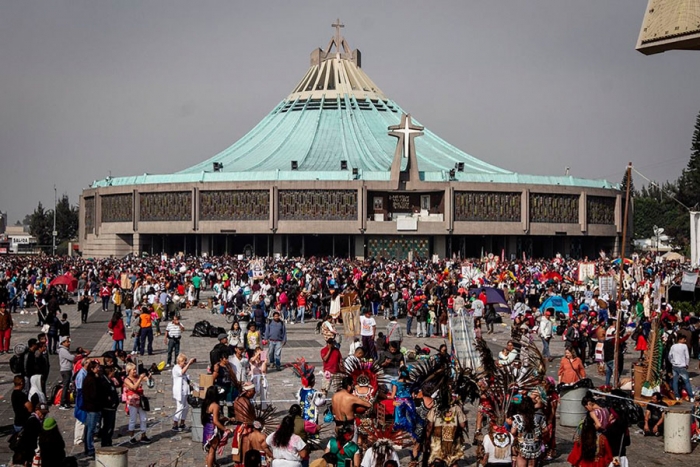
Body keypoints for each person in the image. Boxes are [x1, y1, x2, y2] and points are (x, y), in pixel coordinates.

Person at [510, 395, 547, 467]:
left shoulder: (517, 418)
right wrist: (538, 435)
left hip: (522, 446)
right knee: (532, 465)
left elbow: (513, 432)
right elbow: (545, 430)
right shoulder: (539, 417)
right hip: (535, 446)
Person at [202, 385, 232, 467]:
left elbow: (213, 417)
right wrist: (225, 429)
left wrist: (227, 419)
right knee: (212, 450)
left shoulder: (206, 403)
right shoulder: (215, 406)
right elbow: (215, 420)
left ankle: (211, 463)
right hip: (213, 430)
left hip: (207, 428)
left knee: (210, 450)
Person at [123, 362, 151, 444]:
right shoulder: (127, 380)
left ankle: (143, 435)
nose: (135, 371)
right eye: (133, 370)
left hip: (140, 400)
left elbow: (147, 380)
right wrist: (140, 379)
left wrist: (149, 377)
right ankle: (131, 436)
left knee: (144, 418)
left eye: (135, 369)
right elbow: (133, 387)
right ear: (129, 371)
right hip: (132, 401)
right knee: (133, 419)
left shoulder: (137, 376)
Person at [14, 401, 49, 467]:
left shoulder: (36, 420)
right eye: (42, 413)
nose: (43, 415)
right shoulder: (33, 421)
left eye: (45, 413)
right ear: (37, 410)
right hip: (29, 450)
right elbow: (28, 439)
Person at [82, 360, 104, 458]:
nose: (98, 369)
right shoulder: (91, 380)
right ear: (92, 369)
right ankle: (90, 449)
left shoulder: (92, 378)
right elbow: (93, 394)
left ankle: (88, 447)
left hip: (91, 406)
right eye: (97, 367)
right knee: (91, 429)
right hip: (92, 407)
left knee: (89, 428)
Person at [172, 353, 196, 431]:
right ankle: (175, 424)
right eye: (184, 362)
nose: (185, 363)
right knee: (180, 407)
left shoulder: (183, 368)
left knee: (186, 408)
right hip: (179, 392)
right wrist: (189, 363)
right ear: (180, 361)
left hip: (185, 391)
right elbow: (181, 372)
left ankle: (182, 423)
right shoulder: (176, 368)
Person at [669, 334, 694, 401]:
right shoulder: (684, 346)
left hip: (675, 366)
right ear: (680, 339)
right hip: (682, 366)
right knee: (686, 382)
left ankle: (677, 396)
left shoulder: (673, 346)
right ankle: (691, 396)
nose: (685, 340)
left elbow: (670, 356)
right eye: (684, 339)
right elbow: (687, 357)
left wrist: (672, 362)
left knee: (675, 381)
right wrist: (687, 364)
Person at [57, 336, 76, 409]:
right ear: (63, 342)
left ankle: (66, 401)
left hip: (68, 369)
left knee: (68, 387)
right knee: (65, 386)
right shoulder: (63, 350)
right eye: (67, 342)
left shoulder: (66, 349)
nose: (69, 343)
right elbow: (71, 358)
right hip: (65, 370)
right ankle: (62, 402)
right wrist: (74, 356)